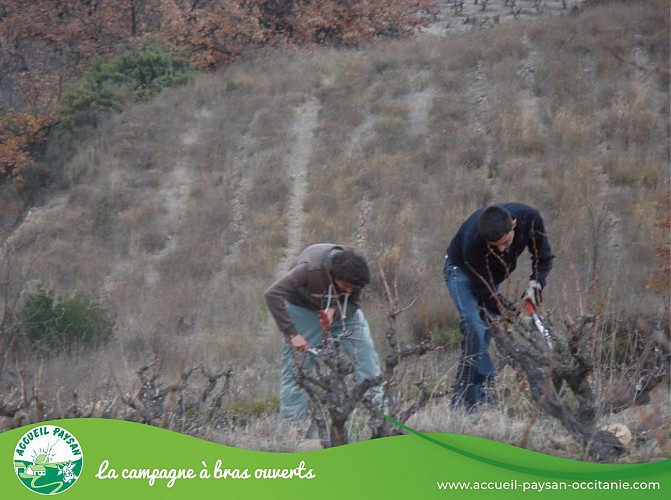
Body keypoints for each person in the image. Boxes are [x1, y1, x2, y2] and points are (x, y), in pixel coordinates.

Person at [443, 203, 554, 411]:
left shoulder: (531, 219)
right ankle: (481, 391)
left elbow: (543, 257)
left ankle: (463, 403)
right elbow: (482, 291)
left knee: (483, 335)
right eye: (495, 245)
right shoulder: (473, 242)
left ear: (513, 224)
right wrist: (508, 311)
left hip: (490, 278)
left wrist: (536, 284)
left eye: (504, 242)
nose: (501, 249)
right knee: (473, 326)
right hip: (460, 271)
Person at [265, 243, 382, 420]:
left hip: (341, 313)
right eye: (346, 286)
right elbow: (272, 294)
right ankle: (292, 426)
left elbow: (353, 302)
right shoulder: (308, 269)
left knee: (367, 359)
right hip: (302, 309)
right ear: (332, 275)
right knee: (298, 369)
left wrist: (335, 310)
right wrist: (292, 334)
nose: (349, 290)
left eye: (354, 288)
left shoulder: (354, 272)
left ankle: (380, 417)